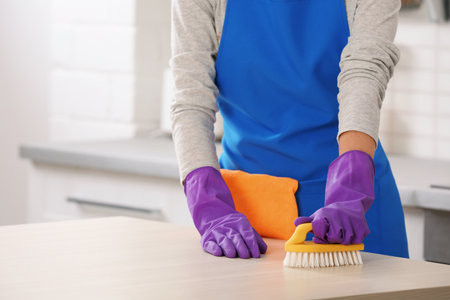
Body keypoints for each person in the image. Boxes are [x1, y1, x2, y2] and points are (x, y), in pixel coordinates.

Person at [170, 0, 409, 259]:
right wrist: (207, 200)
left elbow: (365, 72)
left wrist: (352, 183)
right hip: (245, 214)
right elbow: (191, 100)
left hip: (351, 203)